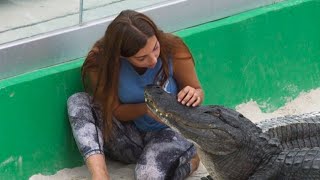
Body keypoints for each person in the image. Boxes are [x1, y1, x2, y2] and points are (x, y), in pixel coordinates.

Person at [67, 9, 204, 180]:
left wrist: (194, 94)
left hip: (170, 133)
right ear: (121, 55)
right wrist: (145, 109)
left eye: (155, 48)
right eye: (141, 58)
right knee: (78, 101)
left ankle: (189, 162)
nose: (153, 60)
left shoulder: (173, 48)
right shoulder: (100, 62)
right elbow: (114, 111)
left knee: (148, 176)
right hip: (129, 136)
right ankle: (100, 176)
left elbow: (197, 90)